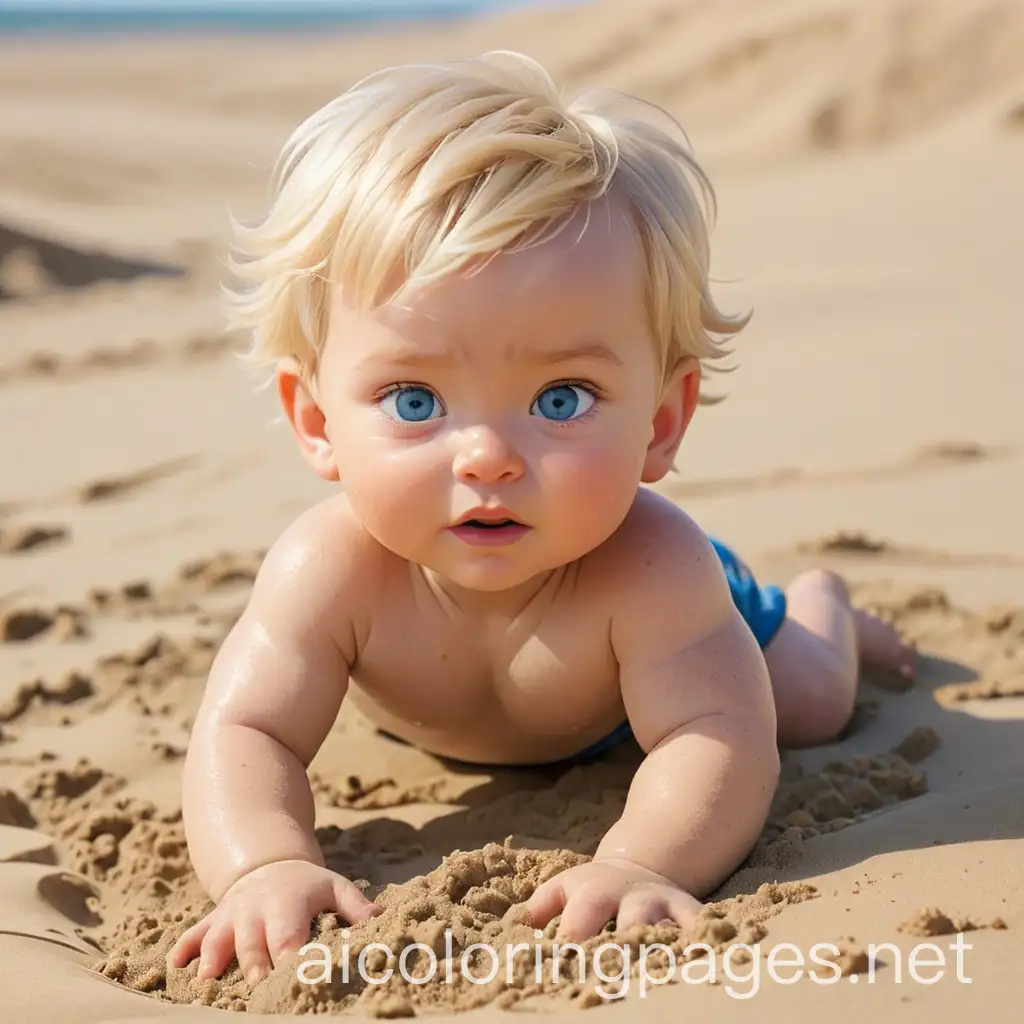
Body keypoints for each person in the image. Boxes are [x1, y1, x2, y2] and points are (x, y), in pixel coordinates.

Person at [166, 51, 915, 986]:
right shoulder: (328, 569)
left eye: (561, 399)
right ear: (317, 422)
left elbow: (717, 737)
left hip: (659, 671)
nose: (487, 456)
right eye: (412, 400)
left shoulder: (656, 569)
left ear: (661, 422)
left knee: (805, 704)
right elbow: (247, 732)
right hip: (466, 707)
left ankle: (821, 604)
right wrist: (265, 864)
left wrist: (642, 862)